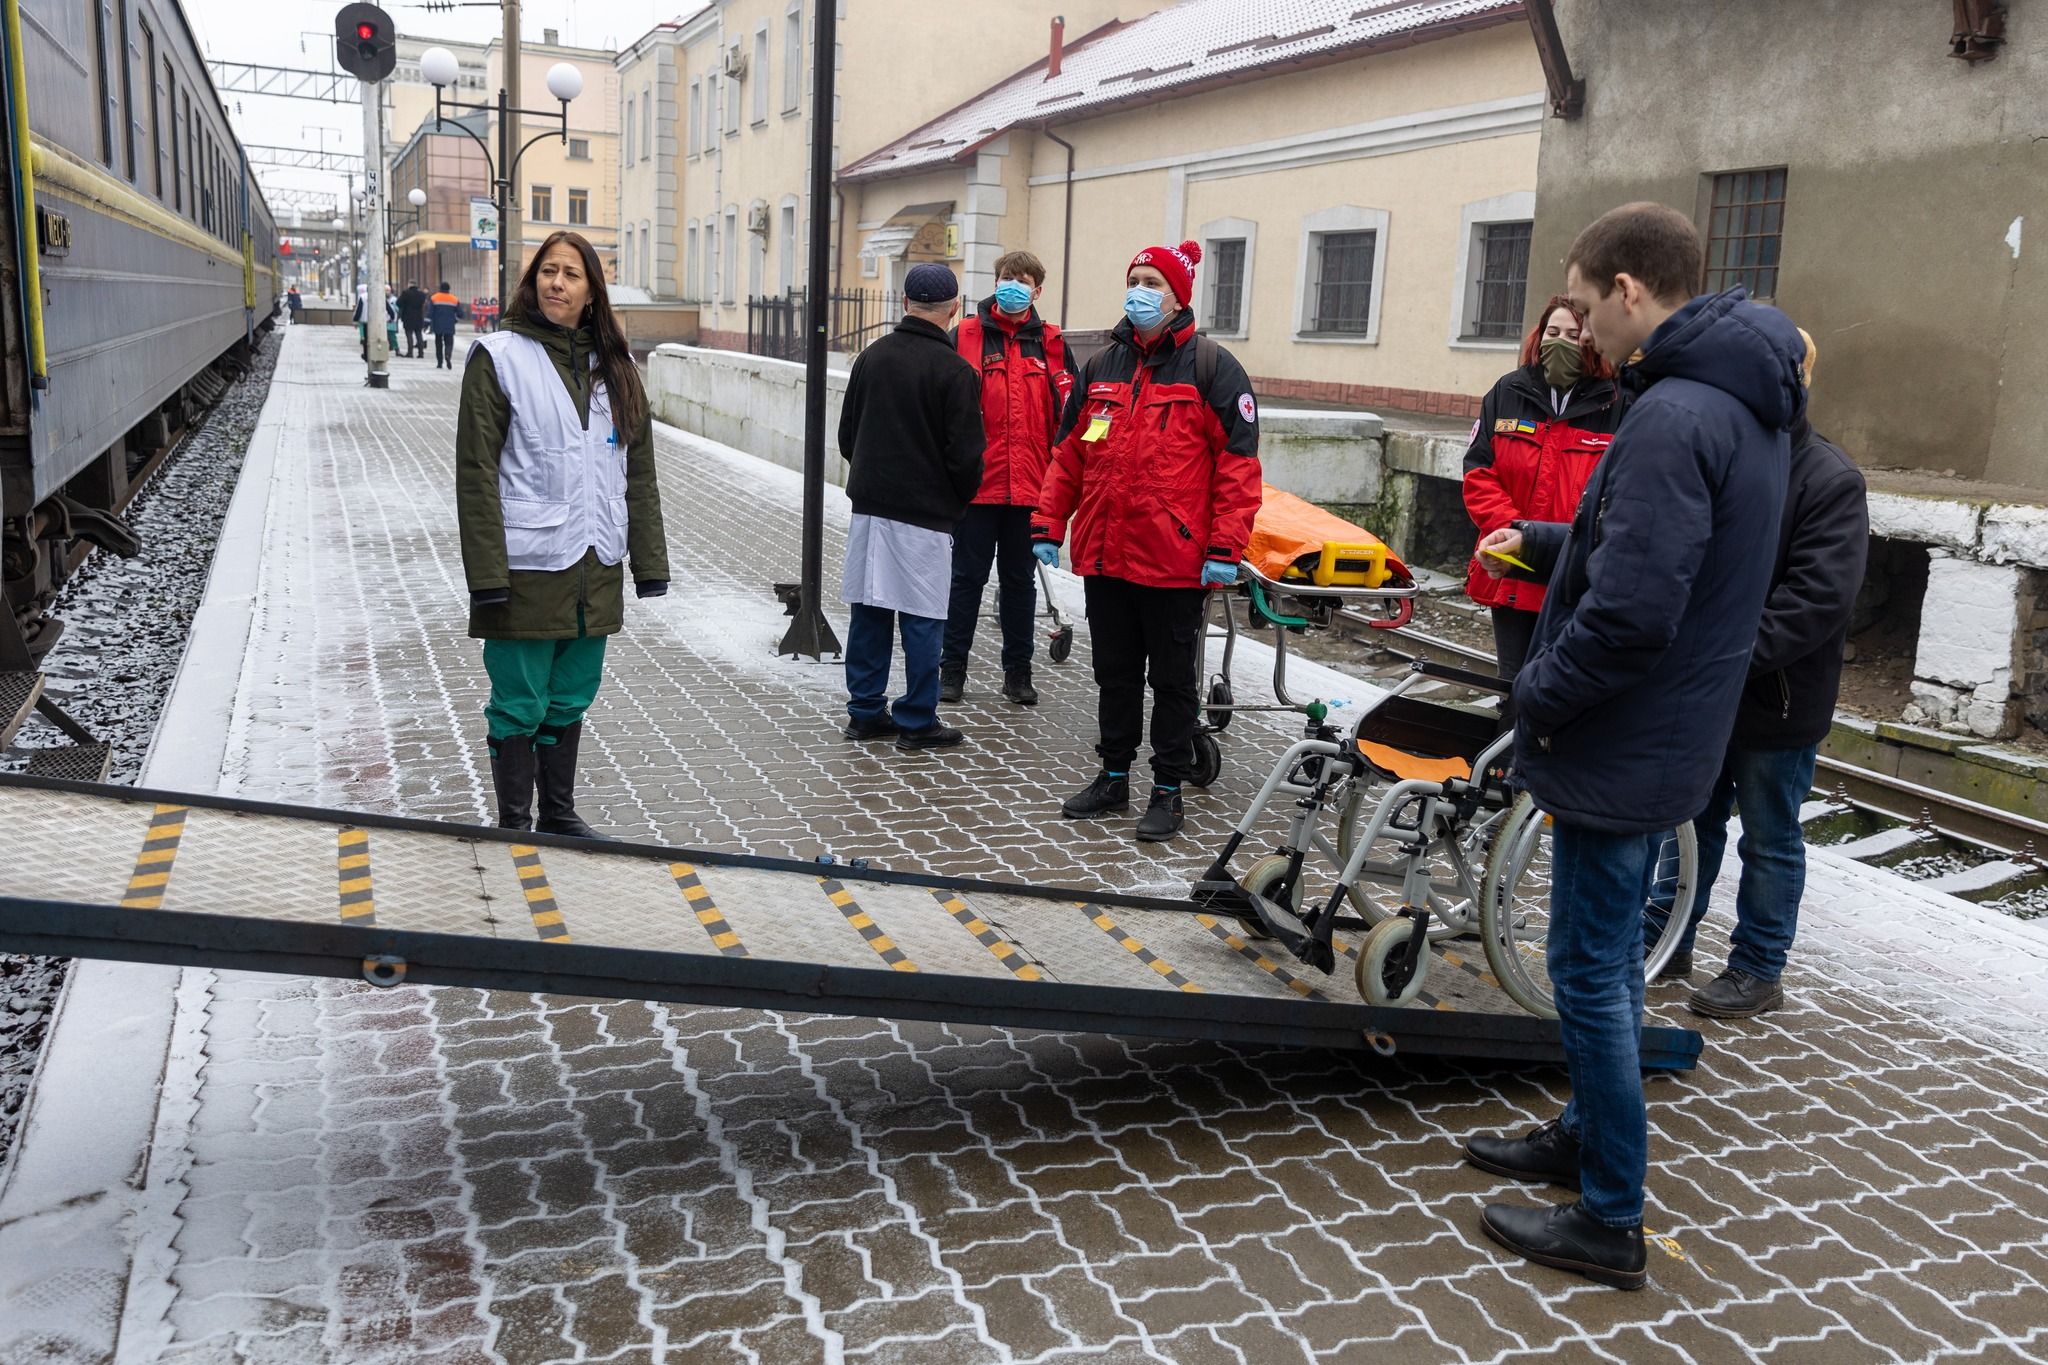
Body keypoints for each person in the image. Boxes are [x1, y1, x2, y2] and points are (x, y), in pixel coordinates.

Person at [1461, 203, 1803, 1290]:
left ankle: (1609, 1216)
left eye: (1584, 304)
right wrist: (1556, 537)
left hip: (1625, 737)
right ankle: (1579, 1138)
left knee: (1589, 973)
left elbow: (1633, 614)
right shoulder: (1732, 406)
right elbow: (1667, 554)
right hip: (1665, 732)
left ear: (1627, 290)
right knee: (1600, 965)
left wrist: (1536, 706)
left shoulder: (1667, 417)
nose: (1576, 334)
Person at [1643, 329, 1869, 1018]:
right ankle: (1668, 933)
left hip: (1777, 698)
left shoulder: (1830, 478)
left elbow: (1816, 602)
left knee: (1769, 835)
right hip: (1713, 689)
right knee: (1692, 819)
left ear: (1803, 377)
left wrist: (1719, 655)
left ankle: (1759, 966)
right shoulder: (1740, 453)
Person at [1030, 240, 1261, 842]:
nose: (1141, 291)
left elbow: (1238, 470)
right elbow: (1069, 455)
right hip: (1107, 553)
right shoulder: (1102, 366)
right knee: (1115, 672)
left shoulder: (1214, 369)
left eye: (1153, 282)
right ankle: (1112, 776)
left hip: (1174, 560)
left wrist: (1224, 550)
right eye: (1135, 279)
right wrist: (1049, 524)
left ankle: (1167, 789)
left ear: (1178, 294)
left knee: (1174, 681)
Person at [455, 230, 669, 836]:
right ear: (533, 282)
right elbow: (475, 475)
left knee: (572, 693)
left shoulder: (618, 369)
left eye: (571, 274)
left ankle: (558, 814)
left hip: (594, 565)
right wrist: (487, 577)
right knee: (520, 700)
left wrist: (649, 564)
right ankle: (515, 822)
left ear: (592, 292)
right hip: (524, 567)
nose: (557, 283)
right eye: (548, 271)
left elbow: (639, 471)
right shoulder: (498, 358)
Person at [836, 263, 985, 750]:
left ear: (904, 304)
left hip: (871, 505)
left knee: (871, 607)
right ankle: (918, 720)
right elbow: (965, 456)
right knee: (922, 616)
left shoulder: (871, 357)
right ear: (953, 310)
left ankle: (864, 712)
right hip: (926, 513)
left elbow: (846, 436)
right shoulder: (957, 371)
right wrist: (957, 501)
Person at [940, 250, 1080, 709]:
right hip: (977, 488)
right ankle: (951, 671)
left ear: (1038, 291)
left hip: (1031, 491)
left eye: (1022, 280)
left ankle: (1018, 674)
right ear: (995, 282)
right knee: (965, 581)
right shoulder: (965, 336)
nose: (1012, 286)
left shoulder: (1054, 344)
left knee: (1019, 584)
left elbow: (1072, 420)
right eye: (1005, 278)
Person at [1461, 295, 1623, 688]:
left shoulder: (1618, 402)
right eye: (1553, 332)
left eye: (1573, 334)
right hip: (1512, 568)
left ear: (1592, 339)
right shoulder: (1507, 392)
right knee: (1512, 687)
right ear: (1539, 335)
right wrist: (1513, 535)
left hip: (1575, 574)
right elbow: (1478, 471)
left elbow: (1619, 492)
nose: (1561, 342)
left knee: (1561, 688)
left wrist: (1563, 541)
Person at [429, 282, 462, 369]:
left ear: (440, 288)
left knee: (438, 344)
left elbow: (430, 312)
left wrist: (426, 323)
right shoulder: (454, 299)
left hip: (437, 325)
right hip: (449, 325)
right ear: (449, 289)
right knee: (449, 343)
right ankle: (448, 355)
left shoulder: (434, 298)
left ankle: (439, 362)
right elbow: (460, 313)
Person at [398, 281, 429, 358]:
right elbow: (423, 303)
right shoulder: (421, 294)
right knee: (419, 334)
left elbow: (398, 303)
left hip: (408, 317)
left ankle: (410, 352)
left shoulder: (405, 293)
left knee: (409, 335)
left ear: (409, 285)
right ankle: (421, 353)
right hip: (419, 317)